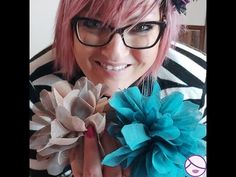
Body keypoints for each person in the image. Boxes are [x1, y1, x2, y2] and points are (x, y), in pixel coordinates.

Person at [30, 0, 206, 176]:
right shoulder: (34, 86)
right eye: (93, 24)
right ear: (67, 23)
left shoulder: (198, 81)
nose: (115, 54)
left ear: (164, 22)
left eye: (142, 26)